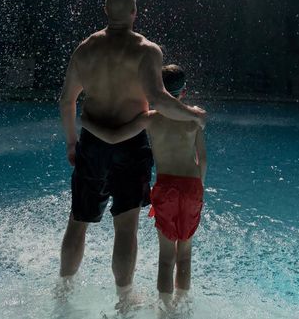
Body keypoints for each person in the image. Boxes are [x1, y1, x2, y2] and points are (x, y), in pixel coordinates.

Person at [58, 0, 204, 307]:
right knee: (125, 227)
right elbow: (159, 98)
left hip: (92, 142)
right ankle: (124, 299)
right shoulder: (146, 50)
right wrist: (192, 115)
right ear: (135, 12)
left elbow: (67, 100)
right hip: (130, 145)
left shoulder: (85, 49)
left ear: (105, 11)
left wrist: (71, 142)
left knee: (78, 220)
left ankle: (63, 291)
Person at [82, 64, 206, 313]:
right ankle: (181, 308)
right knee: (185, 254)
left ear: (157, 90)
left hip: (166, 188)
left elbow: (114, 137)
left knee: (166, 258)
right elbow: (202, 160)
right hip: (192, 186)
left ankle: (164, 311)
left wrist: (87, 123)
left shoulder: (150, 118)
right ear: (183, 92)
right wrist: (197, 188)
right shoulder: (194, 117)